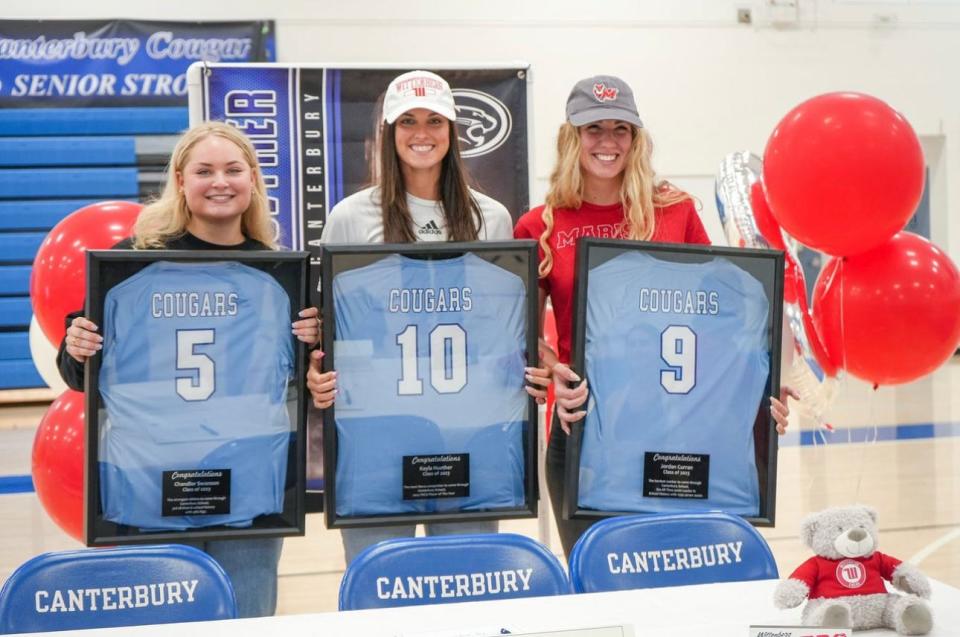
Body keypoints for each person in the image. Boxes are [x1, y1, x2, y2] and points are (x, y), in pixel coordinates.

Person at [514, 75, 797, 557]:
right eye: (593, 128)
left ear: (636, 138)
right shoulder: (541, 223)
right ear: (571, 137)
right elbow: (518, 333)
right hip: (581, 433)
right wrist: (550, 372)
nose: (608, 142)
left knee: (674, 581)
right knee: (598, 585)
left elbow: (721, 316)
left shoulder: (675, 212)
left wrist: (759, 383)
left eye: (620, 129)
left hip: (675, 433)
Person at [56, 121, 320, 618]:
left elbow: (295, 390)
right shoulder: (128, 265)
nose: (220, 182)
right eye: (204, 171)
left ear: (253, 180)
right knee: (160, 621)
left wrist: (312, 354)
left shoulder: (280, 273)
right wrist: (77, 345)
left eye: (233, 170)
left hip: (249, 483)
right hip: (148, 483)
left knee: (248, 618)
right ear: (180, 181)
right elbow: (77, 377)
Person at [306, 70, 525, 564]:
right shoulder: (350, 216)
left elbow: (500, 328)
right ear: (388, 132)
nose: (421, 133)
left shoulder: (490, 216)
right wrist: (317, 369)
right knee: (383, 584)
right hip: (377, 429)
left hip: (468, 427)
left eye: (434, 121)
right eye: (407, 121)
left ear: (452, 132)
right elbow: (330, 328)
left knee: (468, 585)